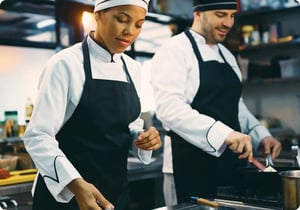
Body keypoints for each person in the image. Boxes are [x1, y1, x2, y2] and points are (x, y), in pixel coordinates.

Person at [22, 0, 162, 210]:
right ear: (98, 15)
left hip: (114, 194)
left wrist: (142, 138)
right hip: (67, 196)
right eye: (122, 19)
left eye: (139, 24)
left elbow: (128, 124)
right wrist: (76, 185)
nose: (130, 31)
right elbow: (38, 136)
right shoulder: (65, 64)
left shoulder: (133, 69)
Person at [151, 0, 282, 203]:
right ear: (198, 14)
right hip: (187, 165)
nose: (229, 23)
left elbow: (235, 105)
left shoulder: (227, 55)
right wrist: (224, 134)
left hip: (228, 167)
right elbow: (169, 108)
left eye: (231, 15)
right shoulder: (174, 50)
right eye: (220, 15)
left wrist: (260, 134)